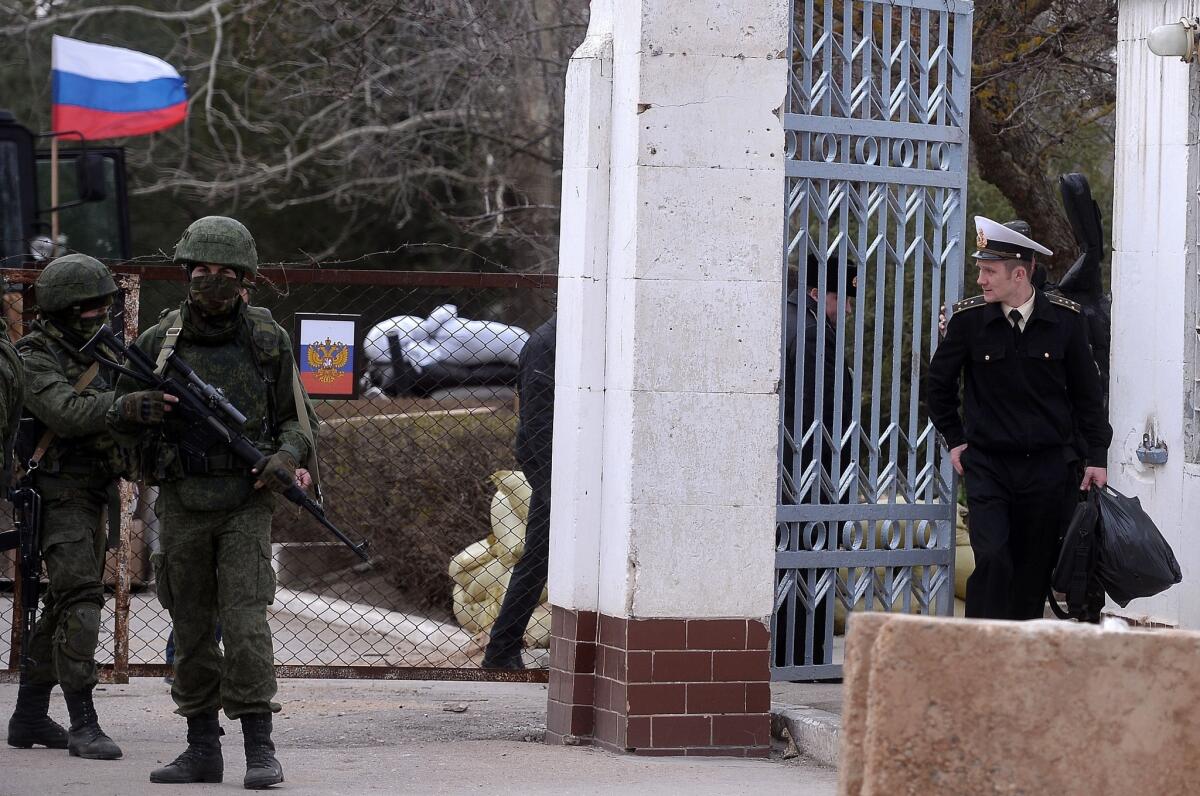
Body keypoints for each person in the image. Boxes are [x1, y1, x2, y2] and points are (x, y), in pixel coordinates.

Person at [108, 216, 313, 788]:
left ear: (247, 281)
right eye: (203, 272)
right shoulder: (157, 343)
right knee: (191, 626)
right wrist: (134, 410)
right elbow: (118, 421)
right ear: (186, 275)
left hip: (245, 502)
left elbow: (299, 422)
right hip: (182, 501)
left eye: (227, 274)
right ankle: (202, 747)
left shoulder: (267, 339)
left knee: (246, 626)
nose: (214, 283)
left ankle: (259, 751)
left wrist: (283, 457)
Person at [926, 216, 1112, 620]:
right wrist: (955, 439)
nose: (981, 280)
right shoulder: (969, 320)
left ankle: (1020, 666)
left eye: (989, 271)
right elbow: (937, 387)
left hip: (1048, 470)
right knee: (992, 560)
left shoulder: (1066, 320)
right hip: (989, 466)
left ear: (1020, 273)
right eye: (980, 269)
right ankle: (980, 656)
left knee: (1031, 572)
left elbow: (1088, 397)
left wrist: (1096, 455)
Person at [5, 254, 124, 759]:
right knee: (81, 601)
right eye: (89, 308)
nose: (100, 315)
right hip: (57, 495)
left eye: (104, 306)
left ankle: (29, 714)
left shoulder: (108, 351)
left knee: (62, 604)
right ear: (62, 309)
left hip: (94, 493)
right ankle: (83, 722)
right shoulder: (34, 355)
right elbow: (66, 413)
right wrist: (124, 406)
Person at [777, 254, 856, 669]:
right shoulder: (811, 333)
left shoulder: (786, 319)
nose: (846, 308)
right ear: (813, 293)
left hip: (791, 470)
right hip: (812, 468)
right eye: (840, 298)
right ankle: (808, 659)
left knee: (792, 563)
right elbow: (821, 413)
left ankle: (790, 655)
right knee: (813, 561)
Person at [481, 313, 556, 670]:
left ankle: (501, 650)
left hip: (558, 463)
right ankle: (501, 650)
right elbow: (538, 420)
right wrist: (552, 484)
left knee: (538, 556)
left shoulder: (560, 337)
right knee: (539, 555)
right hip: (551, 462)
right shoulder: (547, 342)